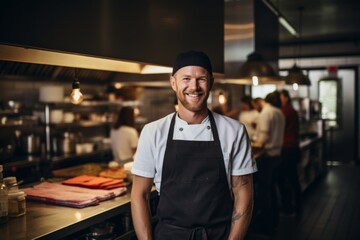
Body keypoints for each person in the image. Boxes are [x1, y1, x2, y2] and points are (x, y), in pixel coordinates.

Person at [131, 50, 257, 240]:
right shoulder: (153, 132)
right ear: (173, 82)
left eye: (201, 79)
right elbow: (139, 195)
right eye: (186, 79)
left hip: (218, 236)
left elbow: (244, 193)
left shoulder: (234, 131)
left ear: (211, 83)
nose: (194, 86)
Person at [251, 90, 285, 235]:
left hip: (267, 156)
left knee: (263, 191)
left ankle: (266, 225)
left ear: (260, 102)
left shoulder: (266, 113)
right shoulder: (279, 112)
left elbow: (263, 139)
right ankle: (274, 221)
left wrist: (251, 144)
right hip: (277, 155)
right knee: (271, 189)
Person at [278, 89, 302, 216]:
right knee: (293, 178)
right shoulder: (292, 110)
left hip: (287, 148)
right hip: (294, 147)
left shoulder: (284, 112)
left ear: (286, 98)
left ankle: (289, 207)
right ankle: (297, 206)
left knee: (285, 179)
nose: (279, 99)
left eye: (280, 97)